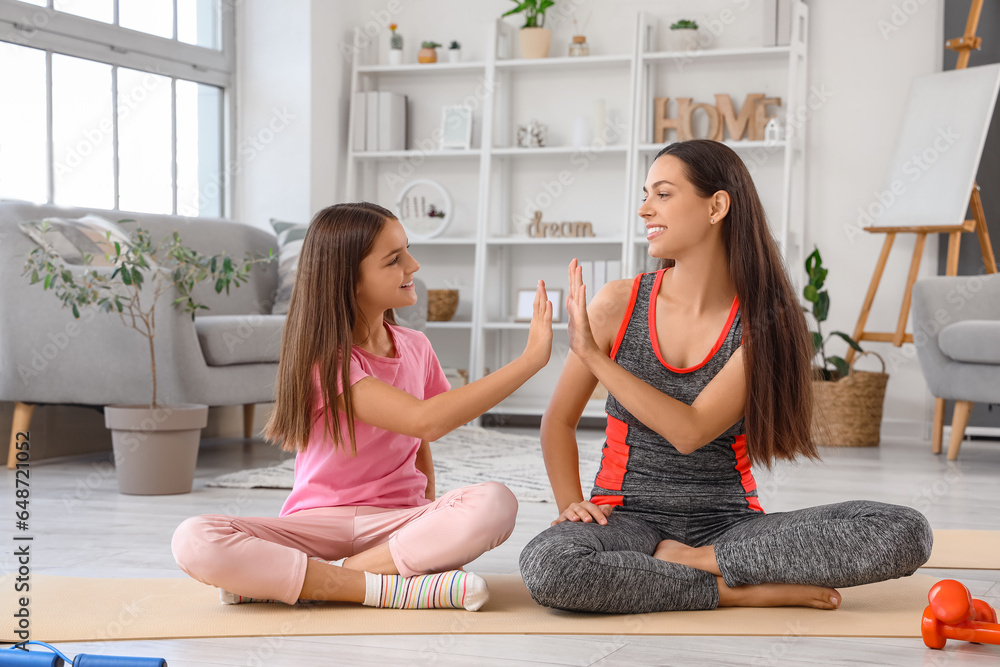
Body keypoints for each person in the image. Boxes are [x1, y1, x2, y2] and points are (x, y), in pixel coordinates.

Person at [519, 140, 933, 614]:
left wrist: (594, 357)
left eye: (663, 194)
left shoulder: (762, 322)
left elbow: (690, 431)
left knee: (905, 531)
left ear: (717, 206)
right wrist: (574, 506)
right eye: (645, 194)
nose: (644, 208)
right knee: (550, 566)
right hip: (626, 517)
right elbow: (558, 422)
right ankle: (729, 590)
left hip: (729, 526)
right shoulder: (618, 304)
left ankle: (694, 561)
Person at [172, 202, 553, 611]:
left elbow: (418, 443)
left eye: (407, 250)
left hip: (397, 526)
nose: (414, 265)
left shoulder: (416, 347)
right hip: (314, 525)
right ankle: (385, 588)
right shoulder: (326, 359)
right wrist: (529, 360)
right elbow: (426, 422)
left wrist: (428, 517)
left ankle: (316, 579)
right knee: (194, 538)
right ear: (348, 280)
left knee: (495, 502)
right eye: (394, 259)